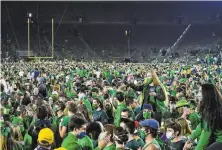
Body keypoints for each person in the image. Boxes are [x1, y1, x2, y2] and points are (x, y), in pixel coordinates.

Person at [183, 84, 222, 150]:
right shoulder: (212, 106)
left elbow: (206, 133)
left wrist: (198, 148)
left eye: (200, 91)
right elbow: (202, 125)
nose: (198, 93)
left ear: (207, 94)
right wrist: (191, 137)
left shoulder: (212, 110)